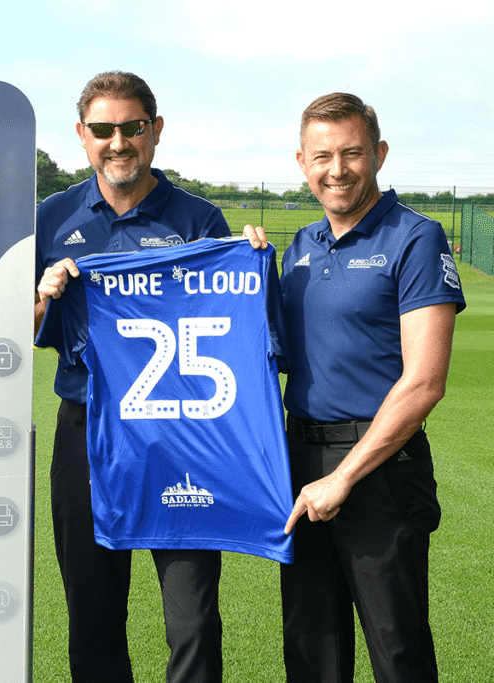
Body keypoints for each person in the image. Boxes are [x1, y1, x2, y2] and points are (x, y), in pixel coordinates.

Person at [246, 93, 465, 682]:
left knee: (397, 651)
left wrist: (342, 477)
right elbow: (279, 358)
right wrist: (245, 274)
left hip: (379, 466)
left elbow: (424, 383)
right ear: (301, 161)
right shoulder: (298, 249)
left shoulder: (415, 238)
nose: (336, 169)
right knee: (311, 649)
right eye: (322, 156)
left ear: (379, 154)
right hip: (300, 460)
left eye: (352, 153)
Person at [35, 71, 232, 683]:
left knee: (192, 619)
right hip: (86, 434)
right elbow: (13, 328)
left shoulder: (200, 219)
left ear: (155, 131)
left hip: (181, 440)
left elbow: (232, 319)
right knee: (92, 617)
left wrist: (246, 261)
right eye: (102, 129)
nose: (117, 141)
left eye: (132, 127)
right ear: (82, 135)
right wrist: (42, 296)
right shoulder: (52, 216)